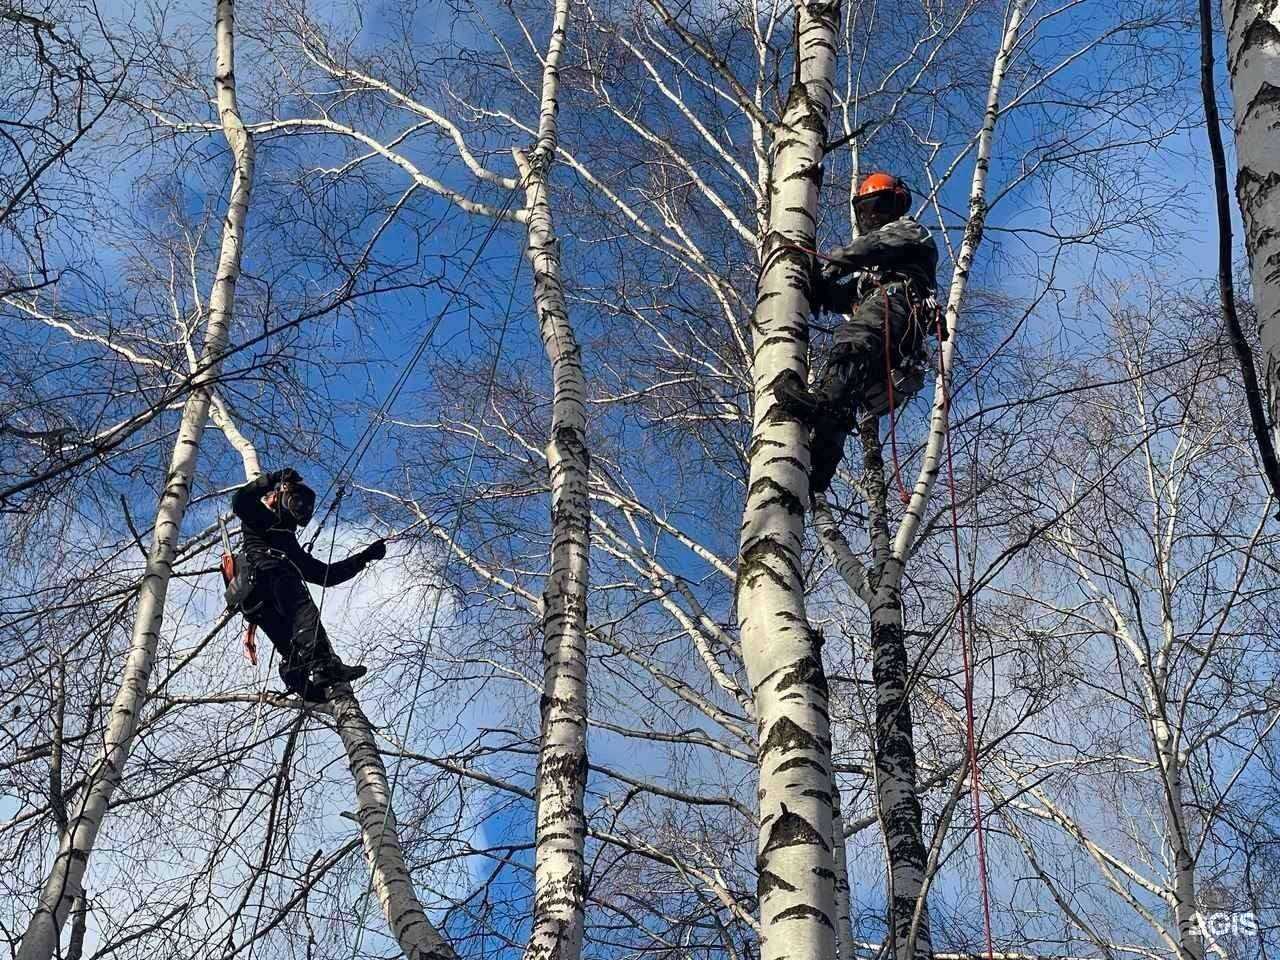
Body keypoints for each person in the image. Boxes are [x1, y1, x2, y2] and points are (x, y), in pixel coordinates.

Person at [773, 171, 941, 496]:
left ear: (895, 205)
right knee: (850, 391)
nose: (873, 215)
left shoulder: (909, 232)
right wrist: (812, 286)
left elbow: (870, 247)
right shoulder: (874, 273)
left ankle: (822, 403)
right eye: (866, 210)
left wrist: (828, 264)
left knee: (853, 340)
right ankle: (820, 462)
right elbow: (845, 296)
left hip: (899, 301)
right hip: (893, 321)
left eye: (878, 206)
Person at [231, 467, 386, 698]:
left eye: (306, 507)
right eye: (297, 502)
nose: (302, 509)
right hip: (266, 578)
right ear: (281, 498)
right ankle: (324, 665)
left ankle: (297, 675)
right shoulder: (261, 517)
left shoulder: (288, 543)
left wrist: (364, 557)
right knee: (301, 608)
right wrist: (272, 478)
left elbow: (325, 575)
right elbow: (241, 500)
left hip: (256, 603)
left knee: (292, 645)